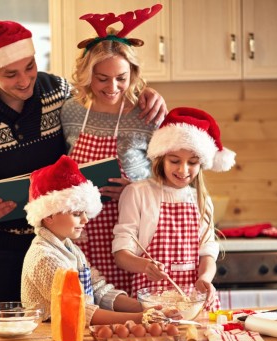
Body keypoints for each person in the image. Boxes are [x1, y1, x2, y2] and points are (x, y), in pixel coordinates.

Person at [0, 19, 167, 323]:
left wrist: (145, 92)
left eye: (30, 66)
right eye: (10, 74)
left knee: (61, 333)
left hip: (59, 246)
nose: (25, 80)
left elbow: (103, 96)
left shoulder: (56, 91)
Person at [112, 107, 237, 341]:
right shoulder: (139, 193)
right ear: (160, 158)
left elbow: (208, 250)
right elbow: (121, 252)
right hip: (155, 304)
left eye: (193, 163)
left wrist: (206, 277)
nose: (183, 170)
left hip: (195, 300)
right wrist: (143, 265)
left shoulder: (201, 199)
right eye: (175, 161)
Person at [21, 154, 161, 341]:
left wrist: (148, 307)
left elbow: (99, 290)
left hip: (80, 338)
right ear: (49, 215)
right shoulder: (44, 256)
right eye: (77, 213)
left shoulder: (70, 248)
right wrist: (141, 318)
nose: (86, 220)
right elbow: (79, 312)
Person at [62, 4, 165, 296]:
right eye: (102, 78)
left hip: (131, 230)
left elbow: (171, 180)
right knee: (91, 305)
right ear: (87, 75)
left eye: (121, 77)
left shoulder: (147, 114)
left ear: (133, 73)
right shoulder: (69, 111)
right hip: (83, 232)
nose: (113, 87)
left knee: (133, 310)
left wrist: (137, 190)